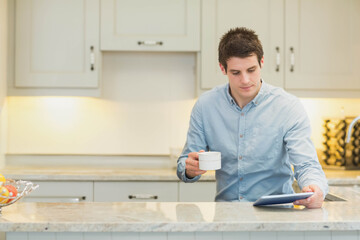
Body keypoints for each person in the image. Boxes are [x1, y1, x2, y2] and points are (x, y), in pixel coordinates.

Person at [176, 27, 328, 208]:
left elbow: (307, 164)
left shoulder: (288, 107)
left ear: (261, 62)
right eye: (236, 73)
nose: (246, 80)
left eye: (251, 69)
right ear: (222, 68)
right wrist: (189, 169)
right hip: (226, 217)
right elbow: (185, 163)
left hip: (276, 217)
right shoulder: (206, 106)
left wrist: (316, 188)